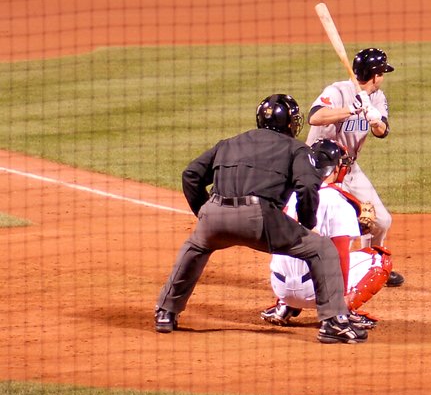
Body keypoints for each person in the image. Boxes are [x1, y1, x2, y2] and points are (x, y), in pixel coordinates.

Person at [154, 94, 368, 344]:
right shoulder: (295, 148)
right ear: (290, 122)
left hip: (214, 214)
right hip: (259, 219)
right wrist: (307, 224)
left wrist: (205, 213)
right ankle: (333, 323)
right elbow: (308, 187)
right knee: (321, 249)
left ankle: (165, 312)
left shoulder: (230, 142)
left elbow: (190, 175)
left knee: (195, 248)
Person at [259, 139, 393, 330]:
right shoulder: (338, 201)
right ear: (335, 168)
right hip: (316, 292)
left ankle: (283, 306)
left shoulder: (289, 194)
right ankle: (342, 311)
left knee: (298, 251)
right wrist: (338, 301)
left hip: (280, 287)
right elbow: (341, 255)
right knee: (380, 258)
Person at [305, 47, 404, 287]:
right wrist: (351, 109)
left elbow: (383, 132)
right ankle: (331, 277)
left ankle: (372, 266)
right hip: (321, 172)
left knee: (381, 221)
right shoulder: (338, 90)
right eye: (382, 73)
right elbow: (315, 117)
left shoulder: (377, 98)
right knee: (339, 227)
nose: (383, 78)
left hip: (350, 168)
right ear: (375, 75)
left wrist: (374, 118)